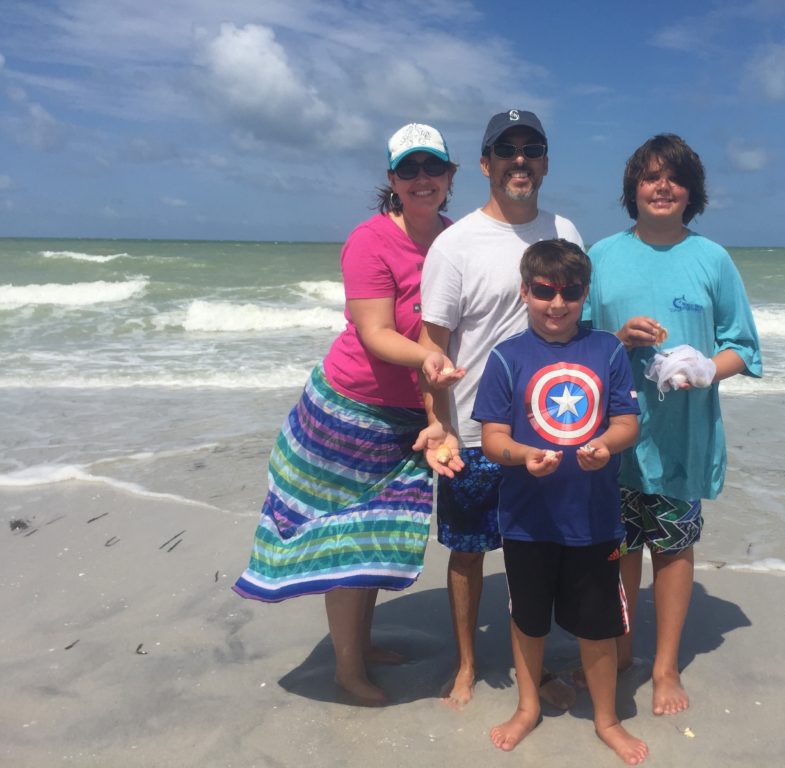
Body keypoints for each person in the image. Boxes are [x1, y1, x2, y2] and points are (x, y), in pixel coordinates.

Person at [233, 123, 463, 706]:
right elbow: (376, 333)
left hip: (413, 413)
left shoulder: (456, 240)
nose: (421, 180)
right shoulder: (369, 241)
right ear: (392, 180)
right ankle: (347, 669)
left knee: (377, 539)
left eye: (431, 168)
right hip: (350, 414)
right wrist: (431, 357)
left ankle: (361, 645)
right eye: (408, 170)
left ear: (449, 176)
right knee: (348, 539)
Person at [584, 134, 762, 716]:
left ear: (692, 193)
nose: (662, 187)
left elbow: (745, 347)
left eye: (675, 178)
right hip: (609, 434)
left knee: (672, 548)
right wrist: (615, 338)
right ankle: (623, 650)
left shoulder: (712, 258)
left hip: (682, 435)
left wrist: (707, 367)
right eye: (650, 177)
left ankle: (664, 669)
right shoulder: (603, 254)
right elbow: (570, 342)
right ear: (632, 189)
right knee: (617, 547)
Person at [413, 109, 585, 710]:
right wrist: (436, 425)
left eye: (531, 147)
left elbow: (578, 325)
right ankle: (465, 664)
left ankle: (536, 664)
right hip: (475, 432)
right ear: (485, 164)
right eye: (505, 149)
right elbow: (431, 346)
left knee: (544, 551)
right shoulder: (454, 244)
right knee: (467, 551)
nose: (519, 159)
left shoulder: (564, 230)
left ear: (543, 161)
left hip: (552, 430)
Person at [473, 239, 647, 765]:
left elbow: (628, 424)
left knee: (598, 627)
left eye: (569, 292)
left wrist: (605, 446)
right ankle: (527, 708)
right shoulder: (506, 357)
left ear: (584, 294)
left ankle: (607, 718)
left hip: (593, 521)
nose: (557, 304)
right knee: (528, 621)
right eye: (544, 291)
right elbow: (492, 441)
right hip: (527, 521)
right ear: (525, 291)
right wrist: (524, 454)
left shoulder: (608, 351)